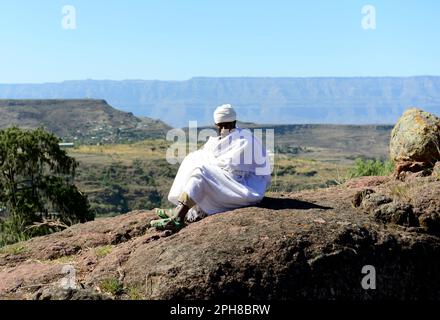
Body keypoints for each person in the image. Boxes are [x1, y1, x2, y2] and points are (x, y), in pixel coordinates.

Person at [150, 104, 272, 231]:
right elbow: (211, 157)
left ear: (234, 122)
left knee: (201, 172)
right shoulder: (221, 139)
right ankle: (180, 209)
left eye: (227, 125)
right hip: (226, 182)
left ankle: (178, 218)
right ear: (216, 125)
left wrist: (209, 164)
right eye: (221, 126)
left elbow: (231, 166)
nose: (224, 129)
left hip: (242, 187)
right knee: (192, 159)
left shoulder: (246, 140)